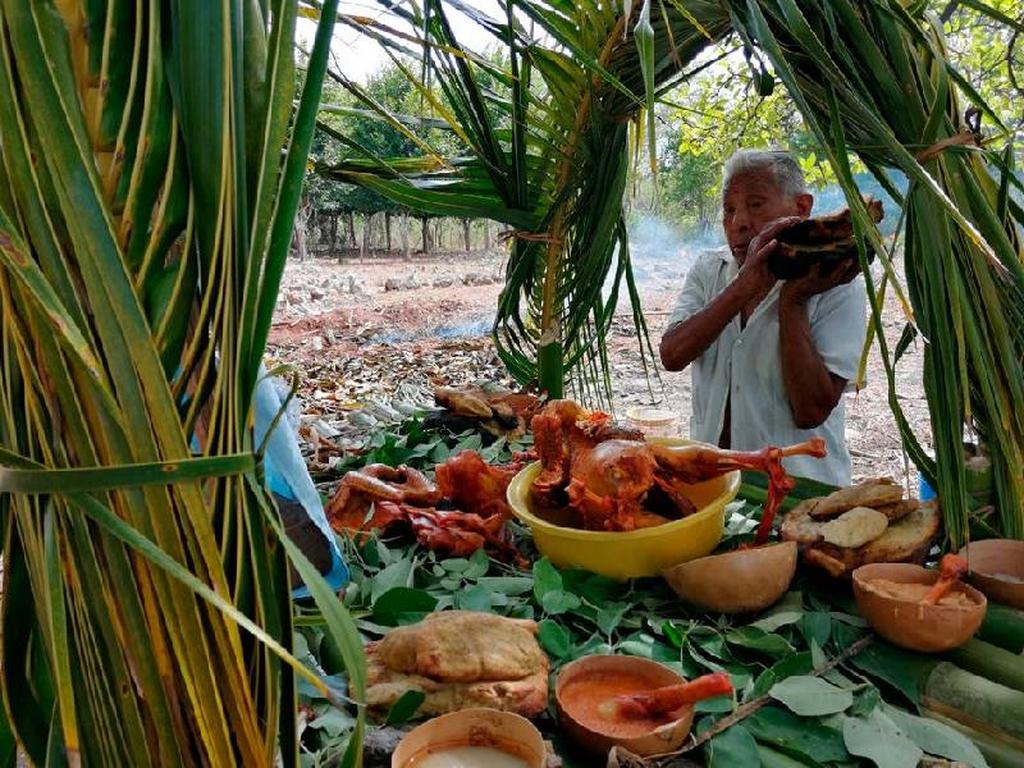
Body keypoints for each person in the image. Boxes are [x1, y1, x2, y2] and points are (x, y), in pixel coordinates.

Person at [659, 149, 866, 486]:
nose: (739, 222)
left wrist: (794, 300)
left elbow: (811, 411)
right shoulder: (710, 270)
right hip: (713, 486)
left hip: (800, 491)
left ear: (800, 208)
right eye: (729, 210)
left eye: (755, 205)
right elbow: (672, 355)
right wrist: (742, 288)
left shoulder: (837, 284)